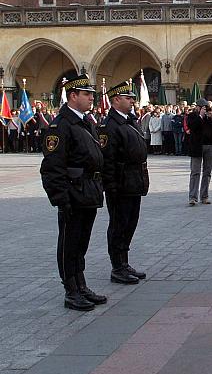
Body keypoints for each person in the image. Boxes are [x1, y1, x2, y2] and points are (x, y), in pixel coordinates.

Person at [40, 74, 106, 311]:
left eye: (92, 94)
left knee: (82, 242)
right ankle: (71, 289)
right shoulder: (61, 126)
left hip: (88, 191)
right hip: (73, 194)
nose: (91, 98)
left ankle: (81, 284)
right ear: (73, 96)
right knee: (70, 243)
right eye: (87, 94)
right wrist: (61, 199)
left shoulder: (86, 122)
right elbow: (52, 168)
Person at [98, 80, 150, 285]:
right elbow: (107, 159)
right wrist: (110, 186)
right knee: (119, 225)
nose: (132, 101)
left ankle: (124, 262)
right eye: (128, 98)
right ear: (116, 100)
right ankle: (117, 266)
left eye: (132, 98)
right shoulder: (110, 125)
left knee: (130, 224)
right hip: (120, 184)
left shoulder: (129, 120)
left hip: (133, 180)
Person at [186, 98, 212, 205]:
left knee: (207, 172)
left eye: (206, 108)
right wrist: (200, 116)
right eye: (203, 107)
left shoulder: (211, 116)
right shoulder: (193, 116)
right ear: (197, 107)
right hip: (197, 147)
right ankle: (193, 197)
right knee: (195, 172)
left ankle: (204, 196)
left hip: (210, 146)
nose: (205, 109)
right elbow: (192, 126)